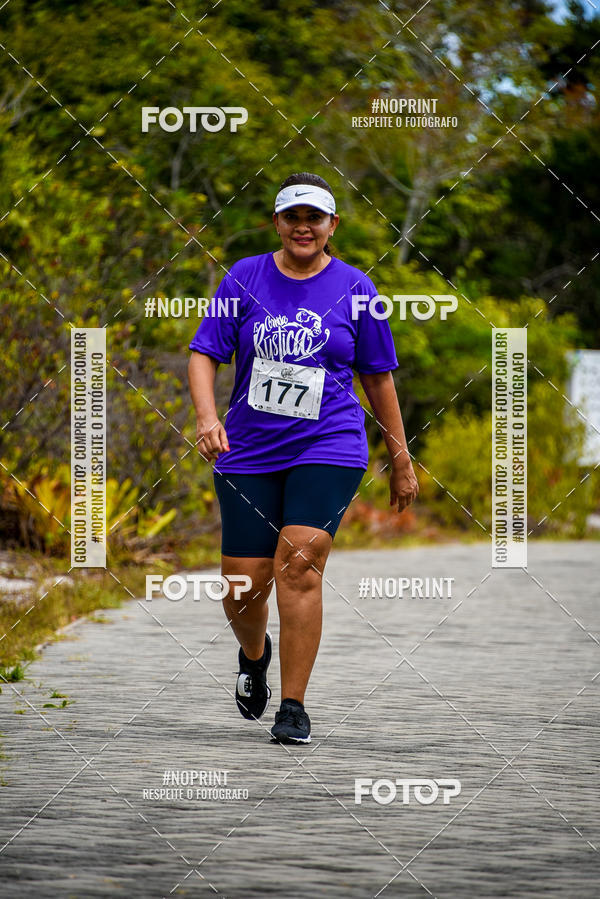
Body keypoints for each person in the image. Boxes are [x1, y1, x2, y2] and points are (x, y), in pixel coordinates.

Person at [188, 172, 418, 744]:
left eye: (315, 217)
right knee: (244, 583)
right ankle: (253, 657)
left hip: (330, 444)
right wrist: (206, 417)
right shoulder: (245, 277)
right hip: (249, 449)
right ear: (277, 223)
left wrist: (400, 455)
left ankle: (294, 705)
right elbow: (203, 354)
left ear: (332, 226)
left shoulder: (357, 287)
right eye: (293, 216)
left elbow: (378, 378)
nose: (303, 227)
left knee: (299, 563)